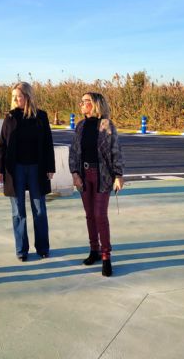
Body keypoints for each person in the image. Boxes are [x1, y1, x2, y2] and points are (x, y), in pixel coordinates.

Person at [0, 82, 55, 261]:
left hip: (37, 168)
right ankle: (21, 250)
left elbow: (48, 144)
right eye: (13, 97)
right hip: (15, 170)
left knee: (39, 210)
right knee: (18, 211)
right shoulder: (10, 117)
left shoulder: (41, 117)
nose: (14, 100)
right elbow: (2, 145)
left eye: (18, 96)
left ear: (27, 97)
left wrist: (50, 167)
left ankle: (43, 248)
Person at [69, 92, 124, 277]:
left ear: (95, 104)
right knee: (89, 215)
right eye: (82, 101)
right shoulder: (80, 126)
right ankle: (94, 250)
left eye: (86, 102)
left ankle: (106, 255)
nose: (82, 104)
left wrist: (118, 175)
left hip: (103, 176)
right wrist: (75, 173)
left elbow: (115, 150)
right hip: (84, 175)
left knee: (100, 215)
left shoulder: (107, 125)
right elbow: (74, 151)